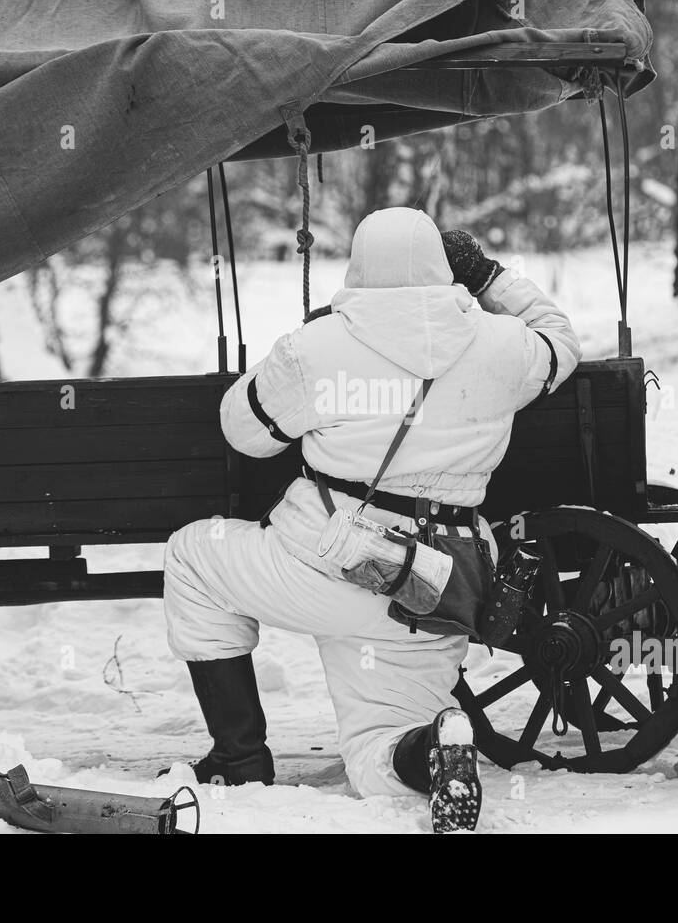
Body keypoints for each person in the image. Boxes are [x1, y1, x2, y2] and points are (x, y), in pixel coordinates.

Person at [160, 207, 580, 831]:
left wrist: (293, 360)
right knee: (374, 752)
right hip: (432, 587)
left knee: (195, 555)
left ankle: (239, 756)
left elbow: (242, 431)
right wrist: (490, 278)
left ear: (357, 266)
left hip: (324, 567)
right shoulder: (504, 344)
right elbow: (561, 340)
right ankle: (431, 749)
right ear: (446, 267)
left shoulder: (317, 346)